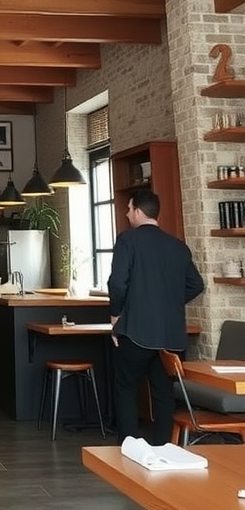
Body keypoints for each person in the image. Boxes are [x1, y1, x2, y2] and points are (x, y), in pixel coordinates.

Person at [107, 188, 204, 445]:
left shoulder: (127, 240)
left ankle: (129, 447)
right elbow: (196, 285)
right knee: (163, 394)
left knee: (126, 388)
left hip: (136, 331)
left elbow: (117, 283)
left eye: (128, 209)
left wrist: (116, 314)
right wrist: (167, 304)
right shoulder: (178, 247)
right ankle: (164, 447)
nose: (127, 214)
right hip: (170, 337)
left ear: (138, 211)